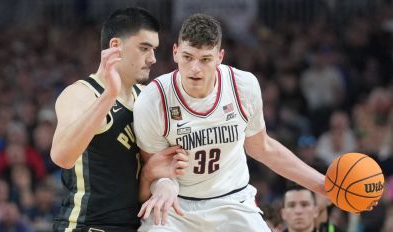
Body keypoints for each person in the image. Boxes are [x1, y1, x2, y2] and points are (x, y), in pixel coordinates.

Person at [133, 13, 328, 231]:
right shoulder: (153, 99)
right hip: (178, 205)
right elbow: (154, 166)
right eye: (188, 57)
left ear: (220, 57)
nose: (195, 68)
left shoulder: (243, 86)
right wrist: (164, 184)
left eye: (205, 59)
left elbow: (262, 147)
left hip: (233, 201)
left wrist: (324, 185)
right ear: (176, 52)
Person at [51, 7, 188, 232]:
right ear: (116, 47)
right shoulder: (82, 93)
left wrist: (156, 177)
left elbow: (142, 183)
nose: (152, 58)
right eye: (144, 48)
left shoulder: (145, 97)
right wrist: (109, 95)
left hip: (134, 225)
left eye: (154, 49)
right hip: (86, 226)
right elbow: (61, 156)